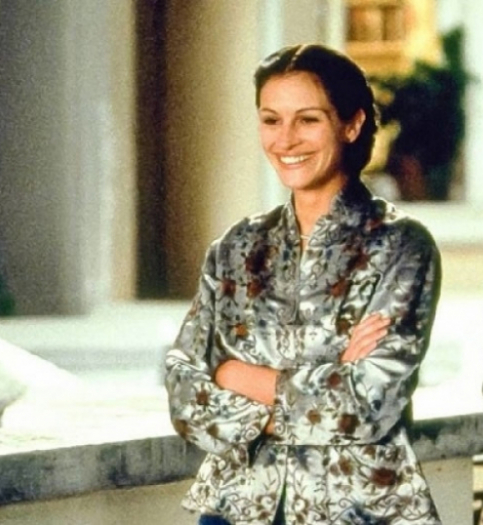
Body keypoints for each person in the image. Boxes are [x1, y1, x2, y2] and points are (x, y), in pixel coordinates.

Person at [165, 43, 442, 525]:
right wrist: (332, 373)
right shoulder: (235, 248)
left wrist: (236, 376)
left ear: (351, 124)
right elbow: (184, 391)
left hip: (358, 510)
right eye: (271, 120)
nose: (286, 139)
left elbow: (367, 404)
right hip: (235, 509)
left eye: (308, 120)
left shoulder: (400, 246)